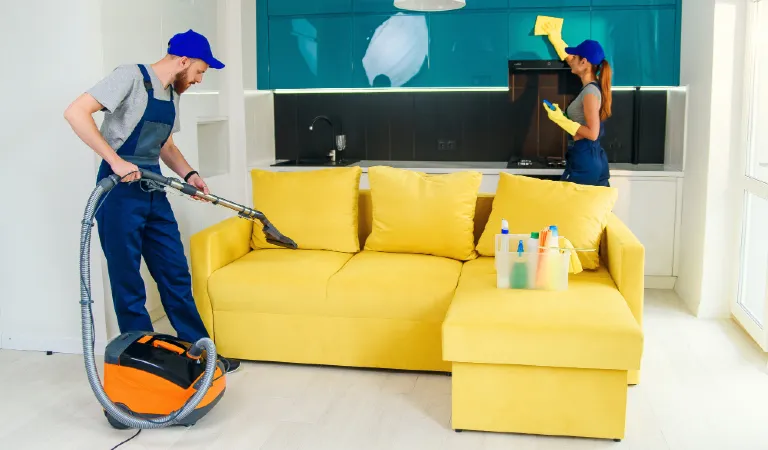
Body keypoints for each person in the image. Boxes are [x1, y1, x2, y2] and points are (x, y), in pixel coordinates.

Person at [64, 29, 240, 373]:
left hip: (152, 188)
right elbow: (76, 112)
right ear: (183, 60)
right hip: (118, 190)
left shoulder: (172, 93)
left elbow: (165, 145)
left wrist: (190, 174)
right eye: (200, 71)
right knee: (128, 281)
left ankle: (200, 354)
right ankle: (143, 362)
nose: (200, 79)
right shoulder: (130, 76)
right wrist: (115, 161)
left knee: (175, 273)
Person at [541, 26, 613, 187]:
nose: (571, 60)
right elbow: (568, 58)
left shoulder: (590, 92)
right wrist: (554, 36)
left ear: (584, 62)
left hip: (585, 159)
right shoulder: (591, 88)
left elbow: (592, 133)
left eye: (574, 57)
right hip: (591, 156)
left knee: (567, 202)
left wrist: (561, 120)